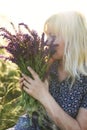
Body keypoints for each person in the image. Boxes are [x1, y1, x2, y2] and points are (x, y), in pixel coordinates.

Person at [8, 11, 87, 130]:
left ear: (72, 37)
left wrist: (43, 95)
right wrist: (28, 91)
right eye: (47, 35)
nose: (46, 41)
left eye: (53, 35)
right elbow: (33, 113)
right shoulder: (47, 67)